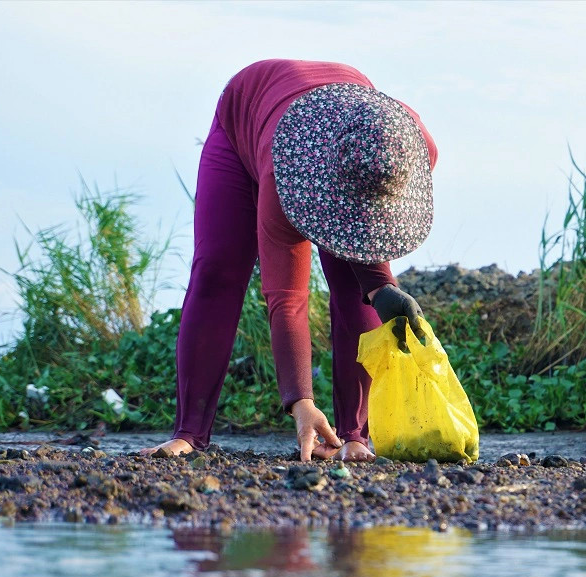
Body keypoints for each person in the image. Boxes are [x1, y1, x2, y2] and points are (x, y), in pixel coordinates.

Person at [139, 59, 436, 462]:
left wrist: (381, 283)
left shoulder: (409, 145)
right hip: (247, 119)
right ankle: (189, 432)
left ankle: (353, 436)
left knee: (359, 290)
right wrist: (301, 402)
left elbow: (372, 215)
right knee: (217, 272)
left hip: (346, 144)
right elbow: (288, 298)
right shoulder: (285, 180)